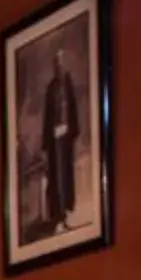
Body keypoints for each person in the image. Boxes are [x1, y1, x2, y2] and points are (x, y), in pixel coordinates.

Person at [38, 49, 81, 231]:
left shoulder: (68, 83)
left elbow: (72, 108)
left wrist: (69, 128)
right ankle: (57, 216)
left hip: (65, 139)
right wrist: (48, 138)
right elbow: (48, 116)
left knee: (66, 174)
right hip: (55, 140)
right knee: (56, 178)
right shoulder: (51, 88)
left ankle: (67, 213)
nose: (59, 65)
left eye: (61, 61)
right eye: (56, 62)